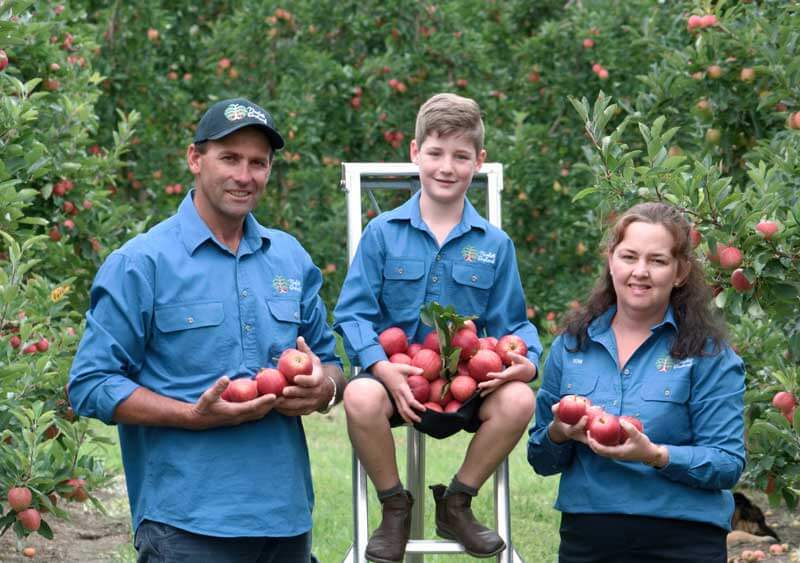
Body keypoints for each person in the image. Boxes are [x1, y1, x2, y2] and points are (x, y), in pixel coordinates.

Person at [68, 97, 345, 562]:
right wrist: (190, 416)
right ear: (196, 159)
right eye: (230, 158)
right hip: (186, 522)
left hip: (286, 517)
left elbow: (333, 365)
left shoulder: (290, 258)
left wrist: (325, 390)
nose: (244, 175)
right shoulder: (142, 263)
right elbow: (90, 384)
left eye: (258, 162)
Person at [334, 93, 542, 562]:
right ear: (415, 153)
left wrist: (525, 364)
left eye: (460, 156)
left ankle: (457, 501)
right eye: (435, 153)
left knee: (519, 399)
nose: (446, 167)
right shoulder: (382, 233)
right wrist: (380, 368)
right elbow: (351, 314)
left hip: (464, 385)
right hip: (396, 380)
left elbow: (514, 324)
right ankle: (394, 506)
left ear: (478, 161)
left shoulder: (494, 244)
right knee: (359, 395)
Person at [527, 202, 746, 562]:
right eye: (629, 256)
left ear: (680, 271)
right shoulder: (573, 344)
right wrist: (558, 433)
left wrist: (655, 455)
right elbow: (540, 458)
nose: (640, 272)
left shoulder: (708, 354)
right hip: (589, 539)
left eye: (657, 261)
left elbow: (726, 462)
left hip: (683, 540)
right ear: (611, 260)